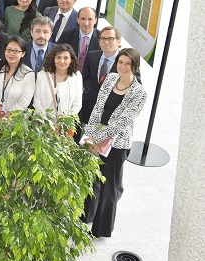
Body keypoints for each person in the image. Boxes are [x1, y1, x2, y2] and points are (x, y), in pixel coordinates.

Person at [82, 48, 147, 239]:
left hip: (117, 144)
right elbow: (97, 109)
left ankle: (101, 229)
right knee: (90, 178)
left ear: (135, 67)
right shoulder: (110, 79)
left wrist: (97, 139)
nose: (123, 67)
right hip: (95, 136)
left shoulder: (140, 93)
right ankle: (85, 216)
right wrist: (90, 135)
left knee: (109, 187)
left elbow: (122, 123)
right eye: (120, 62)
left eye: (128, 64)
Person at [0, 37, 36, 117]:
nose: (11, 54)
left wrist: (5, 118)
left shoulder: (28, 74)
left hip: (13, 119)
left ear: (23, 54)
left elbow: (23, 102)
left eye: (16, 51)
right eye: (9, 50)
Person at [34, 43, 83, 115]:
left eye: (66, 58)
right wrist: (47, 120)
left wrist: (66, 120)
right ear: (53, 59)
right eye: (58, 57)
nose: (62, 61)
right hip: (43, 120)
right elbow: (37, 102)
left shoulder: (76, 76)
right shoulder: (41, 76)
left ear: (71, 60)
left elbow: (77, 103)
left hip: (66, 120)